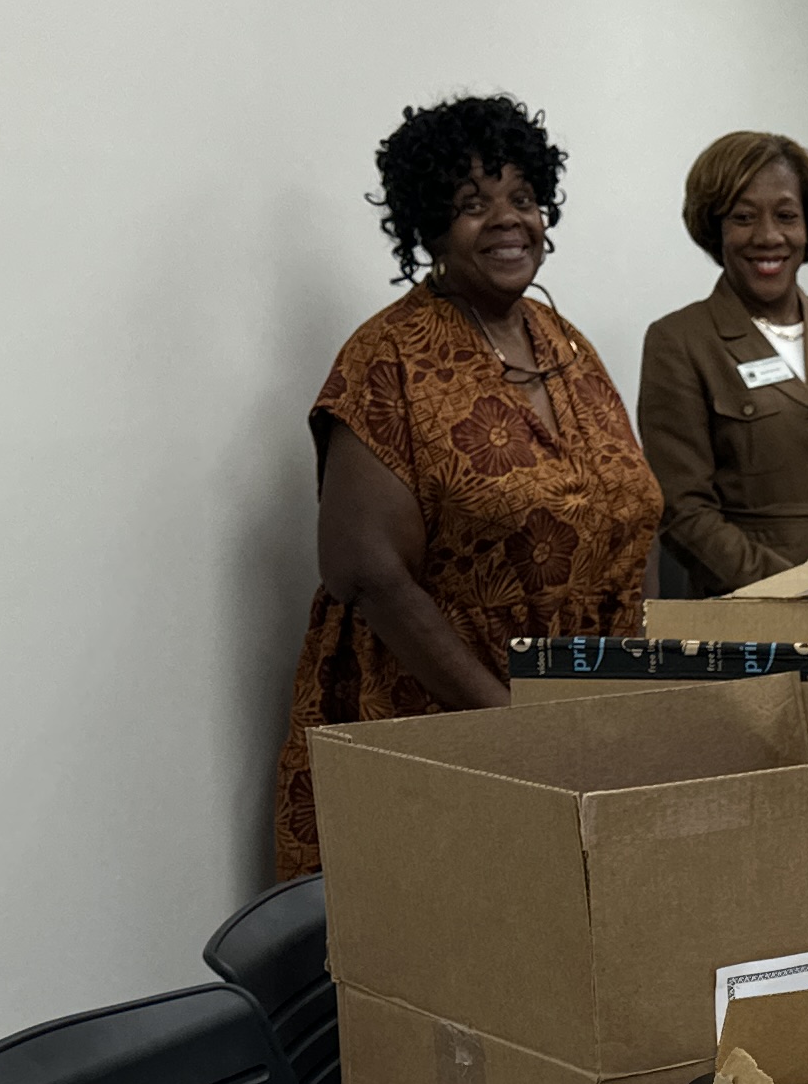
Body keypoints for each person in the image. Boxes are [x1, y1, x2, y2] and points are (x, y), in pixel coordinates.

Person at [268, 91, 661, 877]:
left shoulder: (566, 345)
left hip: (586, 730)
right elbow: (366, 571)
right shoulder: (388, 358)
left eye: (523, 198)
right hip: (439, 736)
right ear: (429, 227)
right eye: (473, 204)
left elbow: (633, 510)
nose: (508, 220)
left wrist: (633, 694)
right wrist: (504, 721)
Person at [637, 132, 808, 596]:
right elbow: (683, 509)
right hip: (747, 606)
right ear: (714, 227)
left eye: (786, 216)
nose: (768, 236)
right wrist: (790, 592)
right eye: (743, 218)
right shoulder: (678, 341)